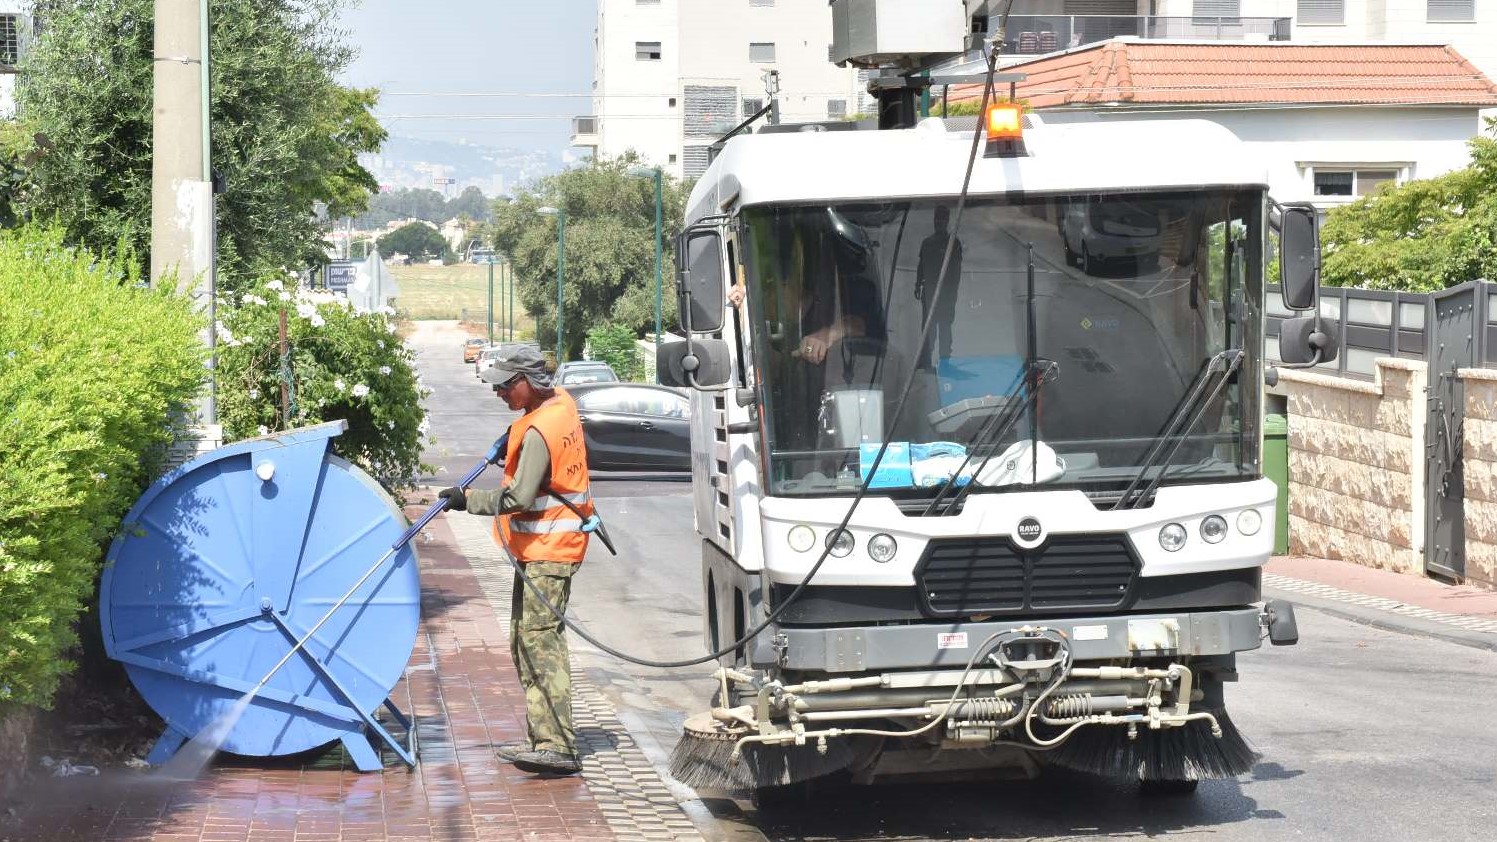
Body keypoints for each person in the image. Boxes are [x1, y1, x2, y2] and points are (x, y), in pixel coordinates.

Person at [438, 345, 594, 777]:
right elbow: (543, 418)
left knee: (540, 645)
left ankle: (558, 746)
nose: (500, 393)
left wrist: (466, 500)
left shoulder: (541, 430)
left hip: (549, 550)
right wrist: (517, 429)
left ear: (528, 382)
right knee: (524, 640)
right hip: (543, 551)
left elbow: (519, 498)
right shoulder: (560, 404)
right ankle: (542, 738)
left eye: (507, 385)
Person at [915, 205, 964, 369]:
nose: (939, 223)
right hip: (928, 294)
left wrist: (953, 294)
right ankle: (925, 360)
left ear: (947, 221)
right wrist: (917, 284)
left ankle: (945, 361)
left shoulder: (954, 244)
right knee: (929, 327)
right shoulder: (927, 243)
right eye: (937, 220)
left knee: (944, 326)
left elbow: (956, 272)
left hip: (946, 294)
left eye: (942, 220)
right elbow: (921, 265)